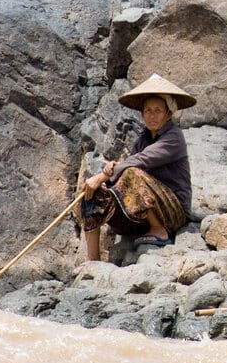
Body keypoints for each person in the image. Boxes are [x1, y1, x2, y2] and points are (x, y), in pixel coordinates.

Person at [73, 73, 196, 269]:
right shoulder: (143, 138)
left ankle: (159, 230)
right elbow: (127, 166)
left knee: (132, 173)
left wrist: (104, 175)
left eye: (158, 110)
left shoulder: (174, 137)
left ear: (168, 114)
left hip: (173, 211)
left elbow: (140, 161)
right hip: (147, 206)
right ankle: (92, 258)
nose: (152, 115)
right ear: (142, 114)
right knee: (93, 191)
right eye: (147, 110)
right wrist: (106, 176)